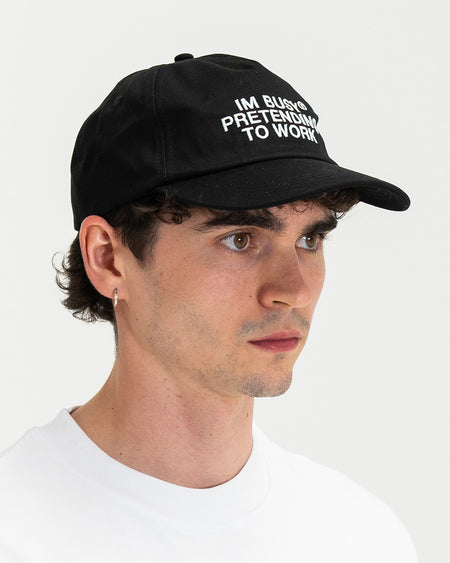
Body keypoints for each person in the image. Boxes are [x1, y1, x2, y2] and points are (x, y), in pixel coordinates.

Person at [0, 53, 417, 562]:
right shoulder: (15, 531)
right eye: (240, 239)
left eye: (309, 239)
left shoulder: (361, 537)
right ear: (108, 258)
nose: (294, 290)